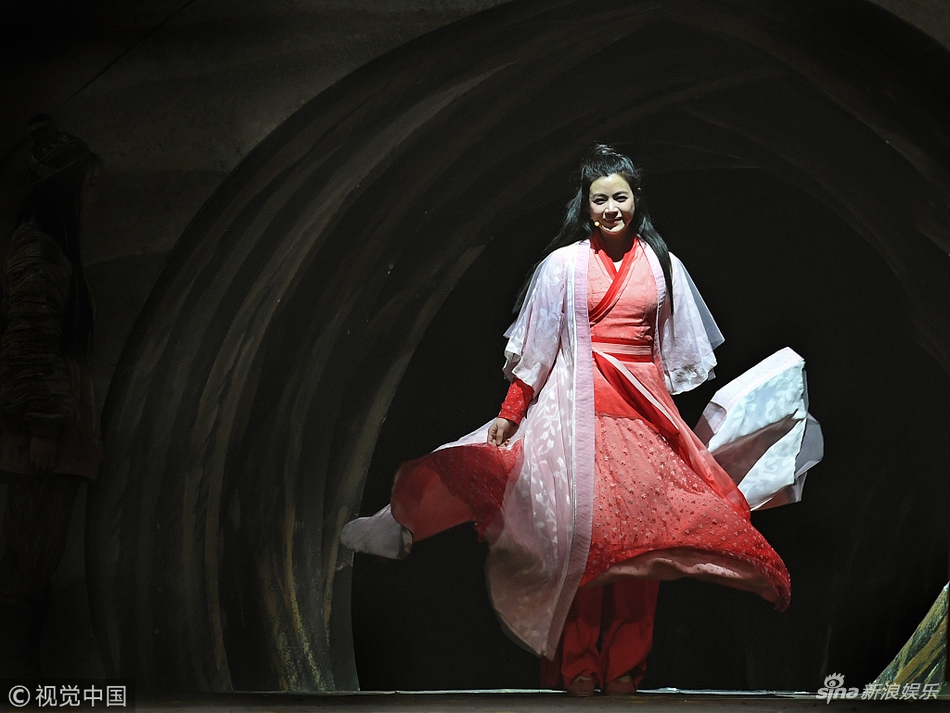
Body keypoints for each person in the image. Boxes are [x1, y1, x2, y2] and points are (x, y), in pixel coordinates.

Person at [343, 144, 801, 695]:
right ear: (586, 206)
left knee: (644, 544)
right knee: (581, 542)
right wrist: (511, 412)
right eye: (599, 200)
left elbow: (673, 353)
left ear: (636, 200)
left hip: (642, 418)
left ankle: (627, 665)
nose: (611, 209)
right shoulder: (562, 266)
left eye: (619, 198)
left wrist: (667, 419)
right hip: (578, 414)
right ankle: (578, 664)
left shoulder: (663, 266)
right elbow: (538, 347)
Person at [0, 116, 104, 676]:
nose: (93, 201)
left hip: (54, 434)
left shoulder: (51, 251)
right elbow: (29, 340)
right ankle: (15, 687)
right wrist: (42, 425)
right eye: (88, 187)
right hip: (42, 439)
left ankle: (19, 684)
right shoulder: (40, 253)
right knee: (27, 568)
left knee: (33, 568)